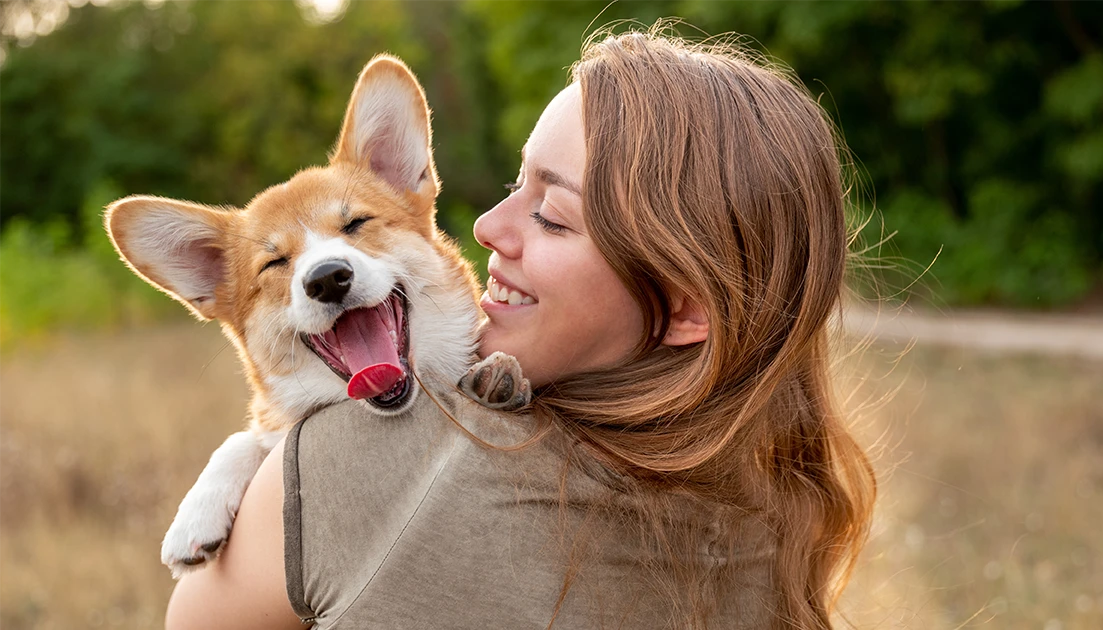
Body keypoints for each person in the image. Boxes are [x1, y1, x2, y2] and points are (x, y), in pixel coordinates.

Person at [164, 27, 875, 630]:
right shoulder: (776, 524)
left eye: (552, 216)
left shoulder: (362, 464)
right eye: (516, 184)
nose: (482, 228)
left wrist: (265, 463)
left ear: (687, 307)